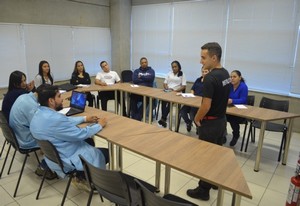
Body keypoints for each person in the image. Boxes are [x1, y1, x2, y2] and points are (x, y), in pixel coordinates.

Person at [30, 85, 109, 186]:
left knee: (89, 141)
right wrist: (99, 125)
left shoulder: (38, 113)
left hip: (54, 158)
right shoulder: (55, 119)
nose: (62, 99)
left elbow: (65, 121)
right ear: (51, 101)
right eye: (59, 96)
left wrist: (84, 119)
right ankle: (92, 180)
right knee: (105, 152)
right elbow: (81, 134)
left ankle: (83, 175)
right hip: (67, 158)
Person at [186, 42, 231, 201]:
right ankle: (214, 181)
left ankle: (203, 190)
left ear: (214, 57)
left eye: (203, 58)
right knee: (217, 154)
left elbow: (206, 105)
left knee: (206, 157)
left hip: (210, 123)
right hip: (221, 121)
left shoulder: (210, 78)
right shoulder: (226, 74)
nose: (201, 61)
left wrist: (196, 119)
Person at [9, 84, 57, 179]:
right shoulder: (32, 106)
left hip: (17, 135)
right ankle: (44, 166)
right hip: (25, 140)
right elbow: (40, 128)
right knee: (57, 138)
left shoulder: (24, 97)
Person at [158, 60, 186, 128]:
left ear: (179, 67)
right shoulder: (169, 73)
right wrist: (167, 88)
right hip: (168, 91)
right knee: (163, 100)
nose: (174, 68)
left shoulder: (182, 74)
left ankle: (163, 118)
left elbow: (183, 86)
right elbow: (165, 83)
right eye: (172, 67)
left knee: (170, 102)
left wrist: (175, 90)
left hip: (177, 92)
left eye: (175, 67)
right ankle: (163, 118)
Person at [179, 66, 209, 132]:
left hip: (200, 103)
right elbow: (193, 89)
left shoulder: (210, 82)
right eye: (203, 72)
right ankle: (188, 122)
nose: (204, 73)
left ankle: (199, 127)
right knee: (182, 111)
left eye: (206, 72)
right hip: (193, 100)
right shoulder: (198, 79)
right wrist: (192, 95)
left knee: (192, 113)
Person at [226, 70, 248, 146]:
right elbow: (220, 83)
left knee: (233, 119)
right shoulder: (229, 83)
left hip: (239, 111)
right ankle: (223, 134)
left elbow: (243, 99)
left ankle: (236, 135)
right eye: (231, 77)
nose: (232, 78)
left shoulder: (243, 86)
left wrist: (232, 101)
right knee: (220, 116)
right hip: (229, 108)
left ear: (240, 77)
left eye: (234, 77)